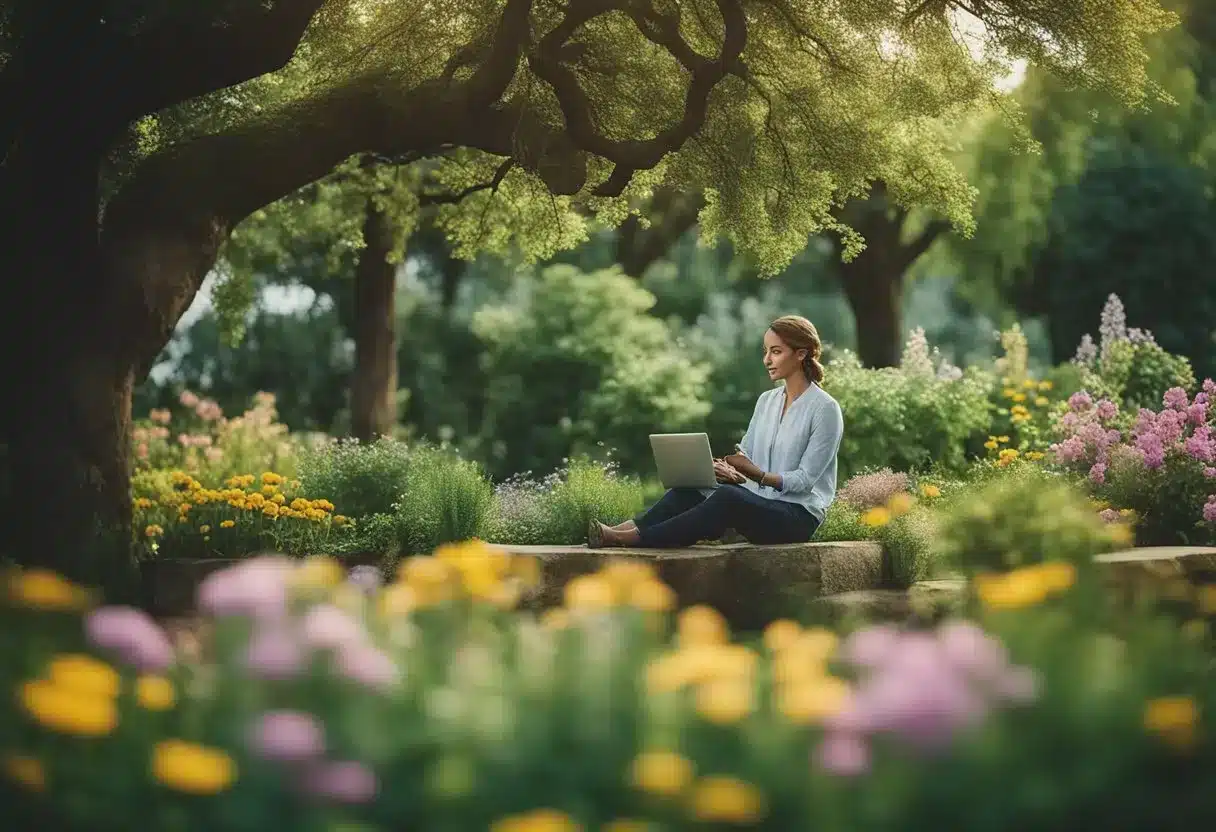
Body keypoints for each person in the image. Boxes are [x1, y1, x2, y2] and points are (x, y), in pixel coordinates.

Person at [587, 315, 844, 549]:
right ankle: (628, 528)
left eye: (776, 352)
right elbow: (746, 453)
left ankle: (629, 539)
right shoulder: (767, 400)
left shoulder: (824, 409)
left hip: (797, 517)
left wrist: (758, 475)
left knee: (728, 498)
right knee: (693, 489)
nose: (767, 360)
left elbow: (805, 480)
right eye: (766, 351)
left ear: (800, 354)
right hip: (760, 502)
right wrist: (729, 471)